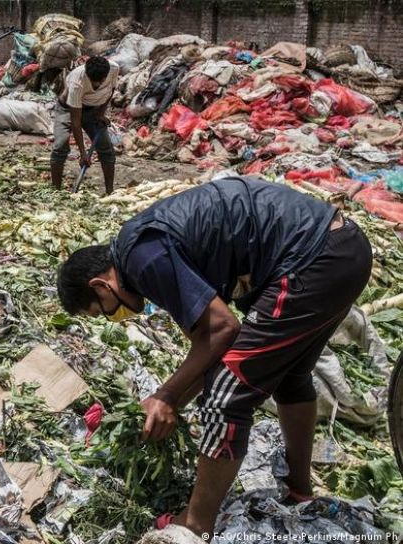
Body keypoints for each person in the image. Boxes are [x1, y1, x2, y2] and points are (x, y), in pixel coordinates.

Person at [56, 176, 372, 539]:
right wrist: (169, 404)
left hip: (314, 258)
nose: (115, 317)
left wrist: (167, 395)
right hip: (344, 249)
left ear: (100, 285)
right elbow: (210, 347)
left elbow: (223, 330)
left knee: (226, 396)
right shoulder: (141, 248)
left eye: (103, 311)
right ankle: (299, 491)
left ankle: (195, 523)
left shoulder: (141, 258)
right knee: (289, 376)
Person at [50, 55, 119, 193]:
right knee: (60, 146)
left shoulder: (114, 69)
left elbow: (110, 91)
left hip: (93, 109)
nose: (96, 85)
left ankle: (110, 192)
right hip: (68, 109)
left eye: (100, 82)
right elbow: (76, 122)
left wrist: (100, 113)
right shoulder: (77, 81)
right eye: (93, 82)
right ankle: (55, 191)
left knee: (106, 149)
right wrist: (83, 154)